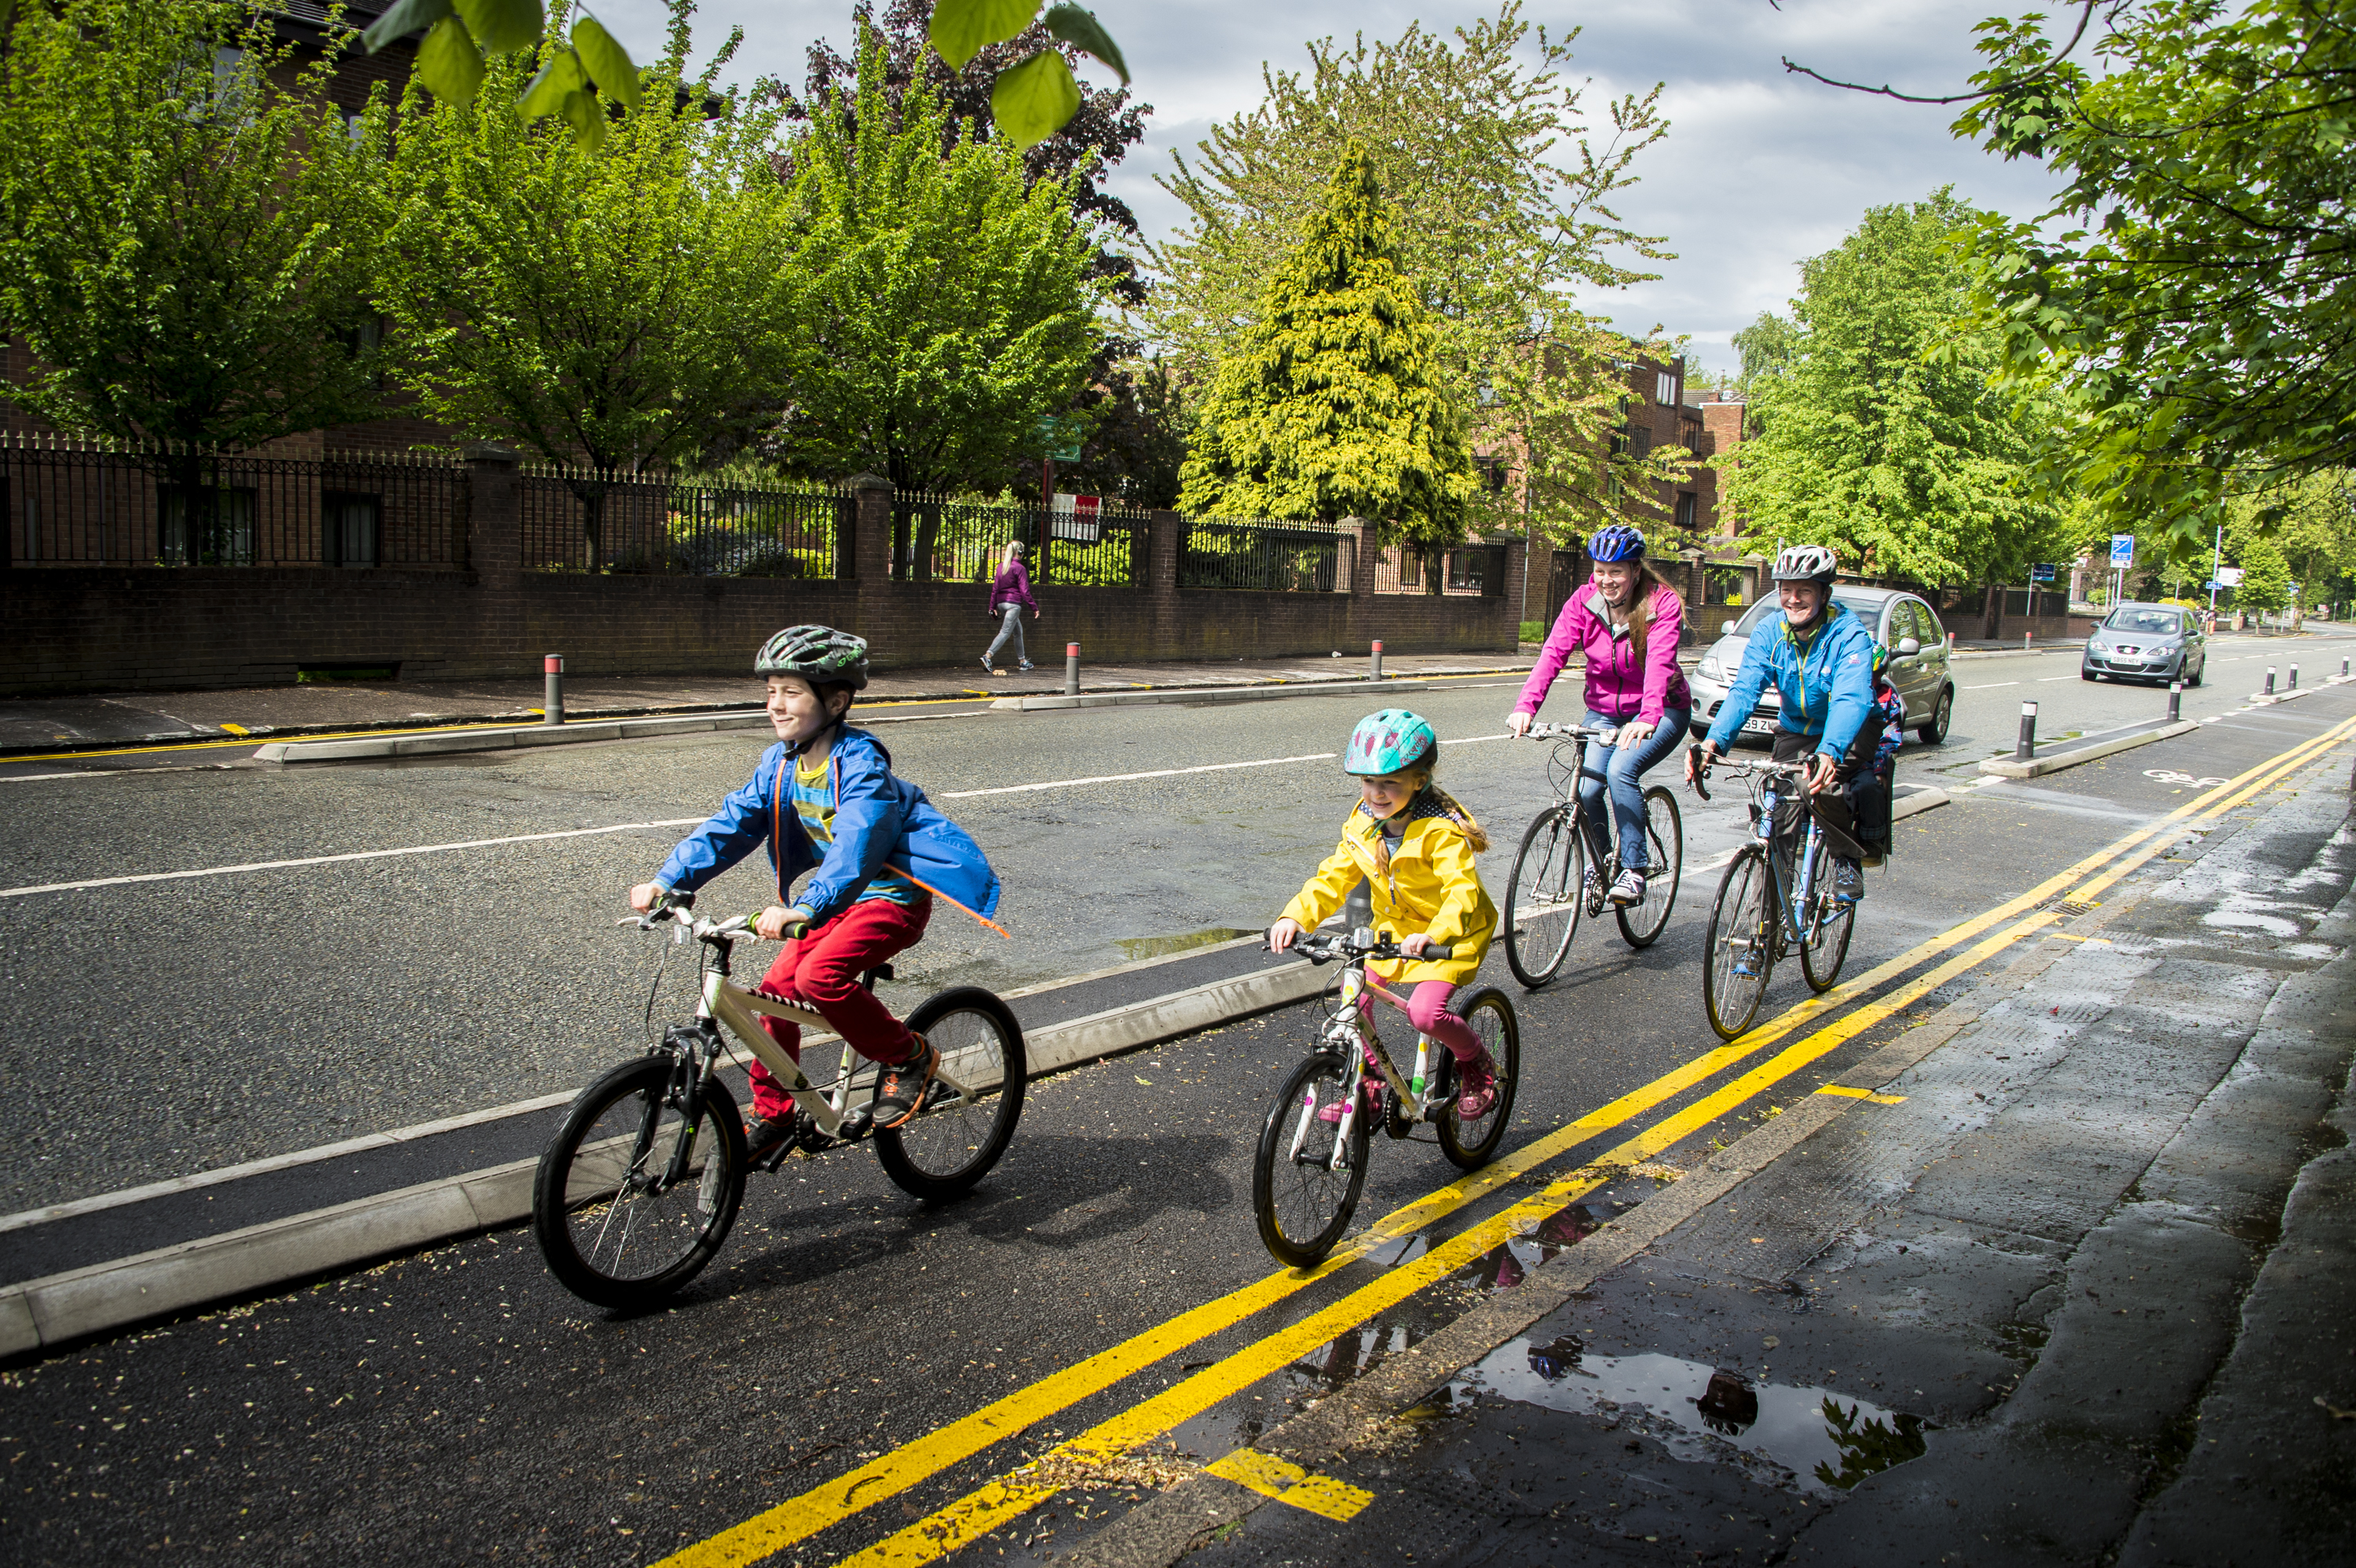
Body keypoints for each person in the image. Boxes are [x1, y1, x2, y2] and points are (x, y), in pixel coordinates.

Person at [628, 625, 1002, 1154]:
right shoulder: (779, 764)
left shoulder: (861, 763)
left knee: (818, 976)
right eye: (771, 691)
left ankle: (908, 1055)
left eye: (792, 692)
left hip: (889, 898)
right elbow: (732, 823)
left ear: (836, 699)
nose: (776, 705)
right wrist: (669, 880)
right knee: (774, 996)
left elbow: (858, 841)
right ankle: (778, 1115)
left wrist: (806, 905)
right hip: (836, 901)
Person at [1267, 711, 1503, 1118]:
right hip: (1394, 934)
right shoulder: (1362, 823)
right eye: (1368, 782)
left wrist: (1437, 935)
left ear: (1420, 780)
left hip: (1449, 936)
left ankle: (1477, 1063)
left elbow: (1461, 893)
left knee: (1425, 1014)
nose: (1376, 794)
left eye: (1389, 783)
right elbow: (1333, 877)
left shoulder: (1441, 831)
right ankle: (1371, 1085)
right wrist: (1296, 917)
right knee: (1352, 998)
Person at [1507, 523, 1693, 906]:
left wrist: (1648, 716)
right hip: (1604, 711)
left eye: (1617, 571)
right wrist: (1526, 706)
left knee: (1620, 771)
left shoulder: (1661, 603)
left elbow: (1659, 663)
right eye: (1600, 570)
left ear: (1635, 571)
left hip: (1662, 710)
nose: (1607, 580)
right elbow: (1554, 652)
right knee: (1589, 788)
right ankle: (1603, 859)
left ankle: (1635, 869)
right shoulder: (1583, 600)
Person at [1685, 543, 1879, 901]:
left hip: (1851, 731)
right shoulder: (1769, 631)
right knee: (1778, 816)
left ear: (1825, 593)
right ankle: (1765, 930)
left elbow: (1852, 699)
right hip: (1796, 728)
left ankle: (1845, 858)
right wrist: (1713, 742)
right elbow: (1744, 691)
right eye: (1786, 590)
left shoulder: (1848, 634)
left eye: (1805, 590)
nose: (1794, 599)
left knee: (1813, 783)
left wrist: (1829, 752)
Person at [984, 540, 1038, 674]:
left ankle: (1023, 661)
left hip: (1002, 604)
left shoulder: (1001, 567)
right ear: (1020, 552)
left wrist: (992, 607)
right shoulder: (1019, 568)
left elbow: (995, 588)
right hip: (1013, 605)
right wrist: (1034, 607)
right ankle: (988, 656)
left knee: (1018, 632)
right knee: (1005, 632)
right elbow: (1025, 591)